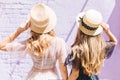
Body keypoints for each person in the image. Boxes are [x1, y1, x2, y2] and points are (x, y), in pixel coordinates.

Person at [0, 3, 68, 80]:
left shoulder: (30, 43)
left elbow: (1, 46)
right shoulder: (59, 43)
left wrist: (18, 32)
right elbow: (63, 68)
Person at [66, 9, 117, 80]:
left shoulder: (77, 50)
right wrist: (107, 31)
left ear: (80, 30)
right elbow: (114, 42)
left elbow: (75, 74)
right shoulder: (100, 46)